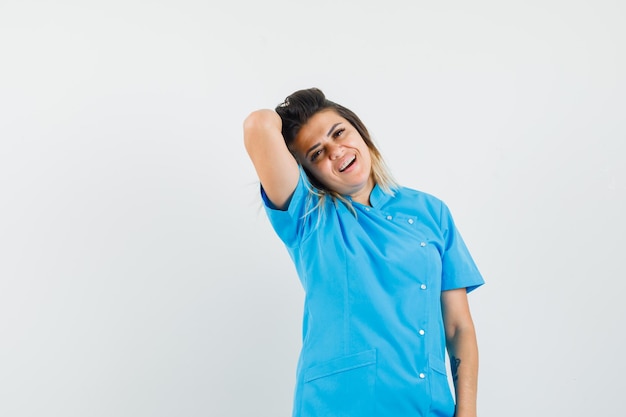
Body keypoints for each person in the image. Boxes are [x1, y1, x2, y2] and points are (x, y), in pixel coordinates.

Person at [243, 88, 484, 417]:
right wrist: (287, 124)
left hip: (426, 404)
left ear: (360, 131)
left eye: (339, 132)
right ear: (307, 172)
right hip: (340, 406)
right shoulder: (309, 218)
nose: (335, 151)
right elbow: (258, 125)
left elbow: (458, 327)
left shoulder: (431, 212)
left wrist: (466, 410)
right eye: (316, 154)